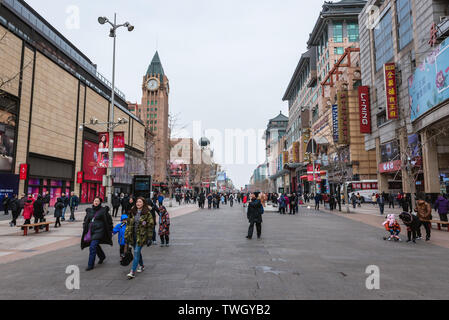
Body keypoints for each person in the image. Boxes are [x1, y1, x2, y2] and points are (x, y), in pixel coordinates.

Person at [124, 197, 154, 279]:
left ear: (143, 203)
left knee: (136, 251)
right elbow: (128, 225)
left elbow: (150, 226)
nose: (138, 203)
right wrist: (126, 236)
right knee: (137, 252)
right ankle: (142, 265)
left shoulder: (147, 213)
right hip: (132, 236)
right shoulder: (132, 212)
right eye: (137, 202)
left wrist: (150, 238)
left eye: (140, 202)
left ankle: (132, 271)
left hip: (141, 236)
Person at [81, 197, 113, 271]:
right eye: (95, 201)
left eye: (97, 201)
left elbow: (109, 221)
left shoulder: (103, 211)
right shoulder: (90, 211)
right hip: (90, 231)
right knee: (94, 245)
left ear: (100, 202)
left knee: (92, 247)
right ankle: (102, 256)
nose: (96, 202)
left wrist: (110, 230)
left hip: (99, 231)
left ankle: (90, 265)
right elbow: (86, 220)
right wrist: (84, 226)